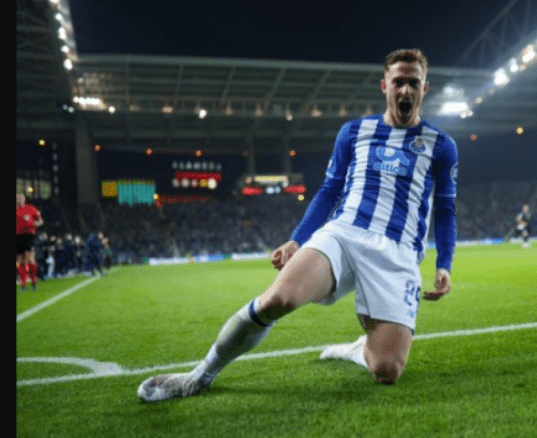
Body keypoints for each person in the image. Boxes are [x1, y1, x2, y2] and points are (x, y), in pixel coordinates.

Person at [137, 48, 458, 402]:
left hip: (398, 252)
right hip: (345, 234)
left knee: (387, 370)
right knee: (277, 299)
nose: (406, 90)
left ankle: (357, 350)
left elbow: (445, 208)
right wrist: (296, 240)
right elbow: (329, 190)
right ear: (385, 85)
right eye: (398, 82)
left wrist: (444, 263)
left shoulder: (441, 146)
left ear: (425, 87)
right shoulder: (354, 132)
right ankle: (200, 375)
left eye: (414, 82)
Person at [16, 193, 44, 291]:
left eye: (21, 197)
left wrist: (34, 223)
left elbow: (40, 221)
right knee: (20, 261)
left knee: (30, 259)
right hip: (18, 236)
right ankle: (23, 284)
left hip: (29, 235)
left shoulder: (31, 208)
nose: (19, 199)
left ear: (24, 199)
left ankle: (33, 282)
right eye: (18, 198)